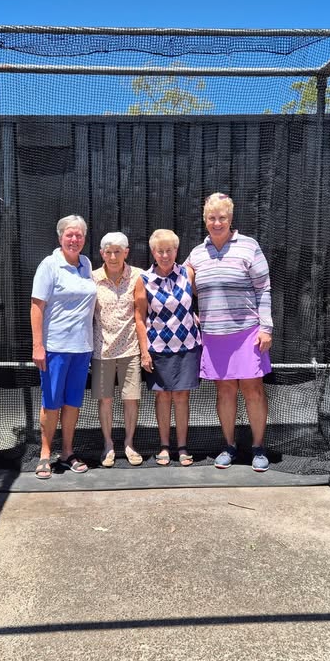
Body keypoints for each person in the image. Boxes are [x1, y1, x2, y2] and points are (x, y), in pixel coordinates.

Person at [187, 192, 273, 472]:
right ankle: (229, 447)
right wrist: (192, 312)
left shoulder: (249, 247)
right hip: (213, 335)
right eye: (211, 218)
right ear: (205, 220)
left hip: (248, 332)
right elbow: (184, 287)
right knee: (224, 391)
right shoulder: (197, 254)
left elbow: (263, 289)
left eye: (222, 217)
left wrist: (266, 328)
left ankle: (259, 448)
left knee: (253, 390)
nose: (217, 222)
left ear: (230, 218)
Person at [30, 215, 97, 479]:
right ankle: (45, 455)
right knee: (51, 402)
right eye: (70, 234)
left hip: (82, 349)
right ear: (60, 237)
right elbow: (37, 306)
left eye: (79, 235)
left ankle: (67, 452)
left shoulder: (86, 264)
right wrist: (38, 345)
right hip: (55, 347)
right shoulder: (49, 265)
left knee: (72, 403)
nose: (74, 239)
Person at [140, 229, 201, 467]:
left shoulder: (188, 273)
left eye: (169, 250)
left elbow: (203, 297)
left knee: (182, 397)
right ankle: (164, 447)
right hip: (158, 346)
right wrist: (144, 350)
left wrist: (198, 316)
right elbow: (139, 316)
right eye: (159, 251)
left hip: (187, 344)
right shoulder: (144, 279)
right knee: (163, 397)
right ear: (153, 252)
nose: (164, 255)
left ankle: (182, 447)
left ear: (177, 251)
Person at [91, 232, 151, 467]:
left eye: (118, 251)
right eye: (108, 252)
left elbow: (155, 306)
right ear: (101, 254)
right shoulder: (92, 278)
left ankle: (129, 443)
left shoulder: (139, 276)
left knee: (131, 399)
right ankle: (108, 444)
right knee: (105, 400)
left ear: (126, 252)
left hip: (131, 350)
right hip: (101, 350)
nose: (113, 256)